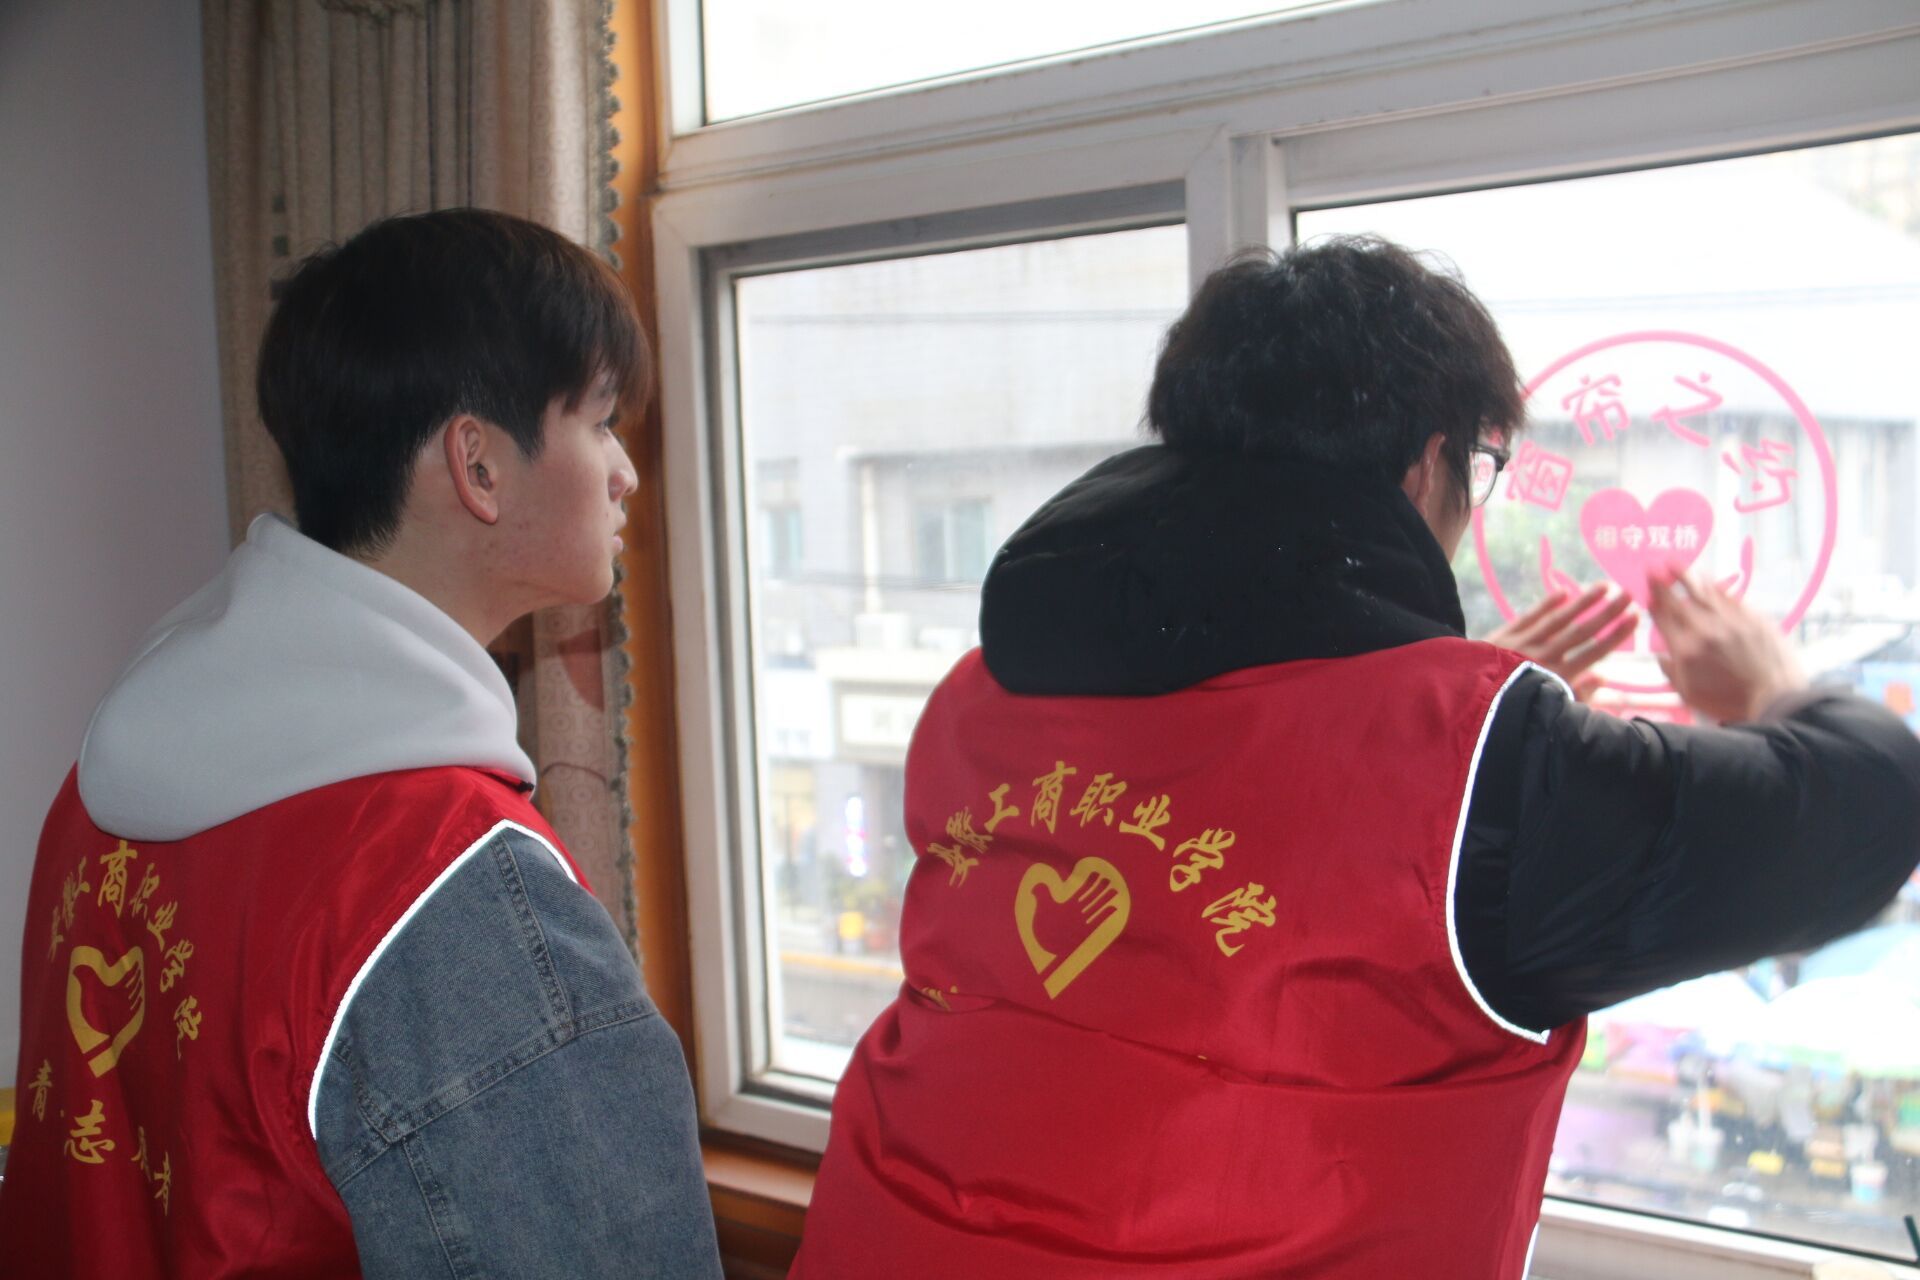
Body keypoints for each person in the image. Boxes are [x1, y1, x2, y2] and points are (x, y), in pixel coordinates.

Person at [791, 236, 1920, 1279]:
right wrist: (1773, 687)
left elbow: (1233, 799)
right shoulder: (1472, 775)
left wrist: (1455, 710)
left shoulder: (978, 697)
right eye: (1484, 464)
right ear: (1431, 464)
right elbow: (1865, 812)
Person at [0, 209, 723, 1278]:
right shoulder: (454, 888)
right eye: (602, 422)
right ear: (478, 464)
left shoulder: (102, 786)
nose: (624, 472)